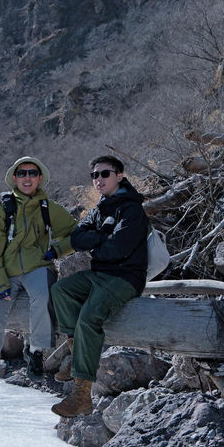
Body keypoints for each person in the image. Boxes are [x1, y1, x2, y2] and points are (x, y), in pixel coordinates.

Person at [0, 156, 77, 412]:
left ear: (40, 178)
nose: (27, 177)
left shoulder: (49, 208)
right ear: (15, 179)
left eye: (32, 173)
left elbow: (77, 233)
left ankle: (36, 351)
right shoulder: (2, 209)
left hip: (38, 266)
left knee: (43, 295)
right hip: (5, 272)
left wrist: (57, 250)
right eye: (22, 173)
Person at [50, 155, 149, 418]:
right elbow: (77, 236)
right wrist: (102, 238)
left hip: (125, 278)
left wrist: (96, 242)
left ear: (119, 176)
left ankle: (82, 394)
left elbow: (119, 248)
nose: (98, 179)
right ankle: (74, 354)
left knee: (89, 318)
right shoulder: (100, 208)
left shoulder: (132, 210)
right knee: (61, 291)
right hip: (100, 274)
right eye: (94, 175)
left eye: (105, 174)